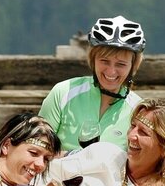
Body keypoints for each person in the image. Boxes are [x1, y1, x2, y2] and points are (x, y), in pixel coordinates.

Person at [39, 16, 146, 152]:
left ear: (132, 66)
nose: (111, 71)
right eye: (104, 61)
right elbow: (38, 148)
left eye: (121, 64)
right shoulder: (63, 92)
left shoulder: (138, 110)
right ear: (93, 59)